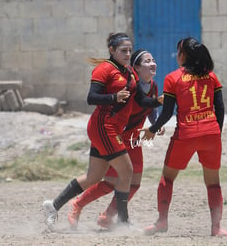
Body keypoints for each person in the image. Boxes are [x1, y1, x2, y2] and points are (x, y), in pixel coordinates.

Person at [42, 33, 161, 230]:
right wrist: (114, 97)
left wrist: (158, 101)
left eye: (130, 50)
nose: (128, 54)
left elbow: (141, 101)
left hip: (110, 127)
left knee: (94, 177)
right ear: (112, 50)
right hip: (103, 126)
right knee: (127, 172)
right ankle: (122, 222)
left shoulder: (130, 73)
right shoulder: (104, 69)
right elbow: (91, 98)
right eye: (123, 50)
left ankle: (53, 206)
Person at [140, 37, 227, 237]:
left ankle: (162, 222)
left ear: (184, 55)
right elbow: (220, 109)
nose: (176, 55)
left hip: (186, 135)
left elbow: (166, 113)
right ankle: (216, 228)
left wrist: (152, 129)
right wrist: (216, 133)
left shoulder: (173, 78)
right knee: (213, 182)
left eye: (178, 51)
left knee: (167, 178)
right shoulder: (211, 77)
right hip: (211, 134)